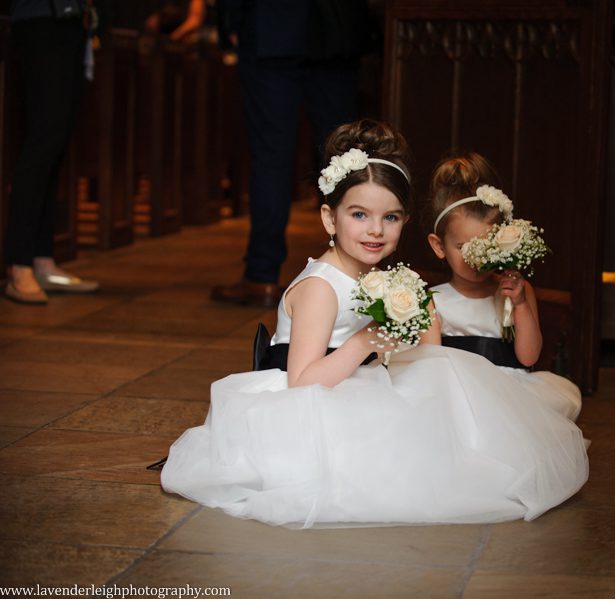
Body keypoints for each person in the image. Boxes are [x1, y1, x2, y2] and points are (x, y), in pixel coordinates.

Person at [161, 120, 588, 527]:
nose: (376, 231)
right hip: (304, 406)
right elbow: (303, 382)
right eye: (359, 215)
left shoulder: (368, 277)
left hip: (349, 386)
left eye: (391, 217)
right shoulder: (322, 288)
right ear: (330, 219)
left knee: (438, 405)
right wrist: (369, 340)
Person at [210, 0, 373, 307]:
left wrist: (233, 18)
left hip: (274, 23)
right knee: (345, 156)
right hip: (335, 25)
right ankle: (358, 273)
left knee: (272, 155)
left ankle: (262, 274)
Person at [425, 153, 582, 421]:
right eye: (463, 247)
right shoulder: (434, 301)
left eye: (486, 246)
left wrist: (519, 304)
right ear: (439, 246)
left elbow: (529, 356)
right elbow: (429, 368)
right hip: (458, 398)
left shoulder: (517, 292)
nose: (476, 258)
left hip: (511, 396)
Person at [4, 0, 99, 305]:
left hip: (73, 20)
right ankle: (19, 264)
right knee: (43, 140)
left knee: (57, 143)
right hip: (41, 17)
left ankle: (42, 258)